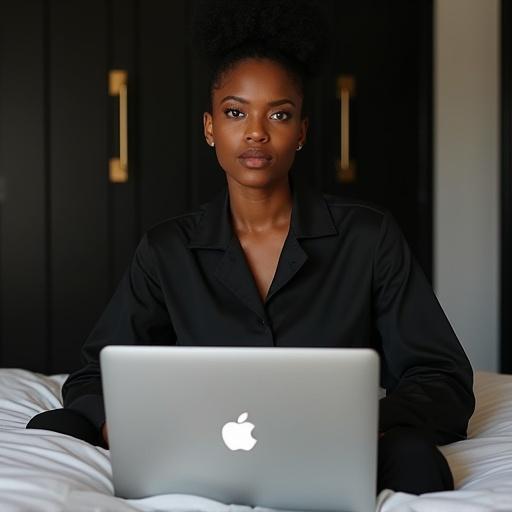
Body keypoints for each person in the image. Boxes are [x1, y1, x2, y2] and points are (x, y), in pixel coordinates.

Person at [27, 0, 475, 496]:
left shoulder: (368, 238)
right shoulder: (167, 248)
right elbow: (93, 374)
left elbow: (442, 378)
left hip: (331, 447)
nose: (256, 132)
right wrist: (117, 426)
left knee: (418, 461)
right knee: (56, 426)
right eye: (236, 112)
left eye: (278, 115)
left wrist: (364, 421)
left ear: (301, 132)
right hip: (200, 446)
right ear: (210, 127)